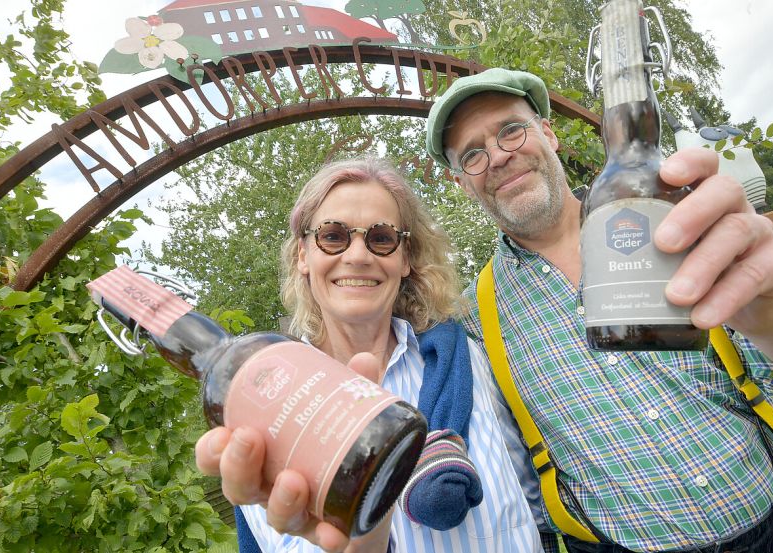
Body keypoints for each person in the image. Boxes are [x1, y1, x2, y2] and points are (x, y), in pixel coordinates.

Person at [422, 67, 773, 552]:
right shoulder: (477, 319)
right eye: (473, 155)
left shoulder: (671, 217)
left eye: (510, 130)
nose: (498, 156)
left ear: (548, 133)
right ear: (461, 182)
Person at [195, 156, 545, 552]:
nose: (358, 256)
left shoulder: (467, 358)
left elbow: (529, 494)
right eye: (332, 235)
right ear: (303, 255)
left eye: (381, 238)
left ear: (405, 257)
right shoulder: (266, 412)